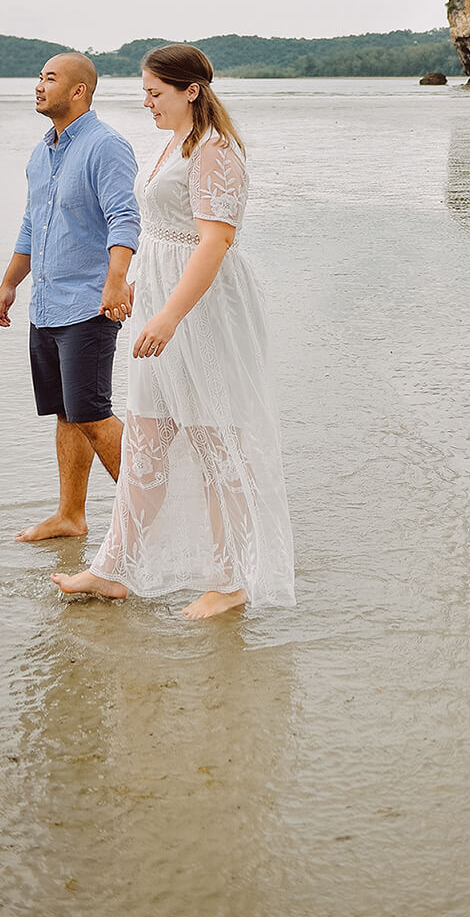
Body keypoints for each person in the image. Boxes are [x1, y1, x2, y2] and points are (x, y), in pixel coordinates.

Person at [51, 44, 295, 618]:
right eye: (143, 93)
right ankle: (113, 569)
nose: (147, 103)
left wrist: (169, 315)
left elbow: (215, 242)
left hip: (205, 314)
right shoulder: (175, 144)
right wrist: (137, 286)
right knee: (145, 444)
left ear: (190, 91)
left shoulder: (216, 151)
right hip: (162, 304)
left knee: (215, 446)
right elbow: (164, 230)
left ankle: (230, 580)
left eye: (155, 93)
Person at [0, 52, 140, 542]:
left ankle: (158, 519)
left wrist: (117, 279)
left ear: (79, 90)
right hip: (47, 304)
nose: (38, 85)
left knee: (93, 413)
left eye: (49, 79)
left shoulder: (106, 146)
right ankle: (71, 517)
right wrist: (11, 282)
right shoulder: (42, 152)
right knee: (66, 412)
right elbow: (33, 224)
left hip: (89, 305)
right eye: (39, 76)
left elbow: (125, 217)